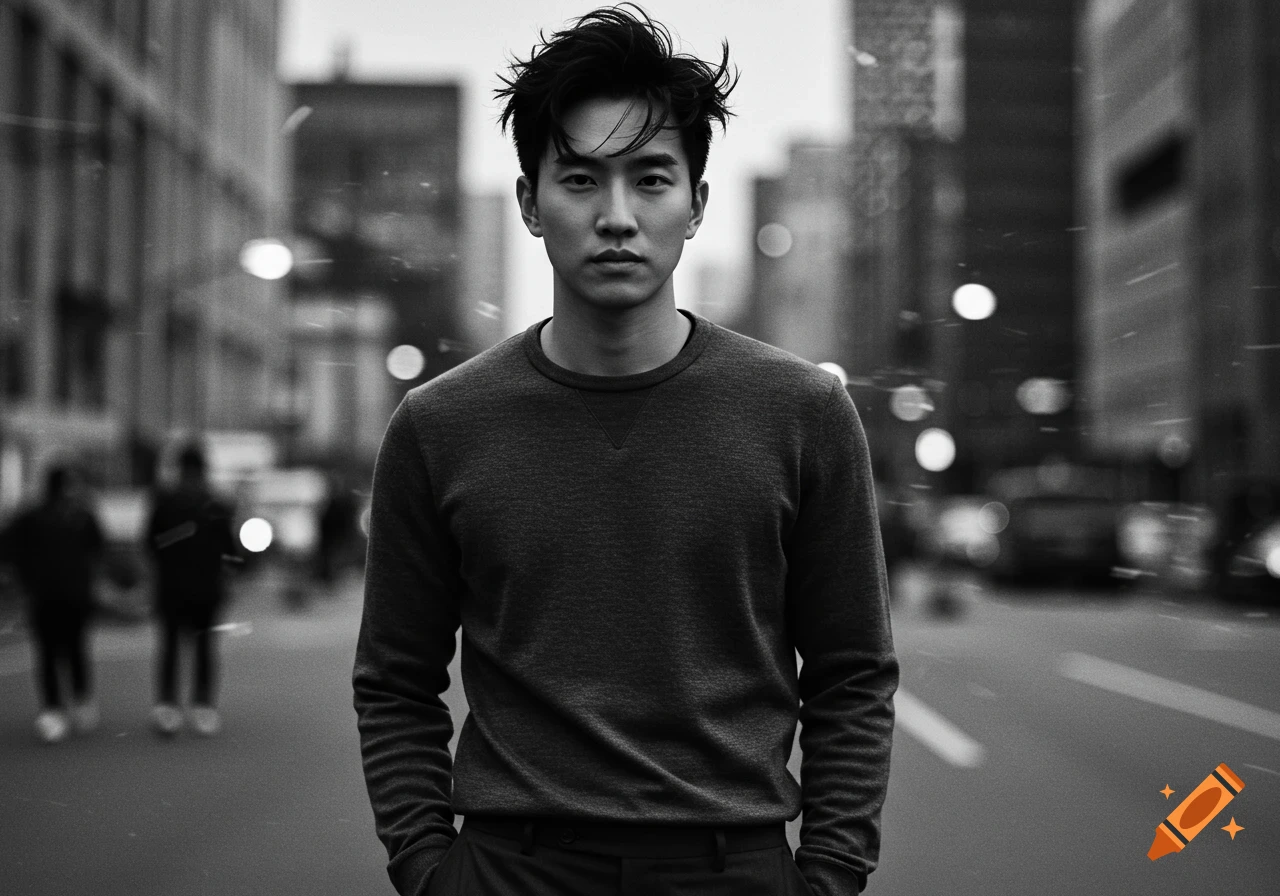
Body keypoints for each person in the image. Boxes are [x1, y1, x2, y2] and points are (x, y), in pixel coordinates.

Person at [353, 6, 898, 895]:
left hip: (734, 867)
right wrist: (426, 868)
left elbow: (852, 675)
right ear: (531, 202)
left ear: (697, 204)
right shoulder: (440, 424)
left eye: (650, 180)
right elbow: (394, 680)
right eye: (579, 180)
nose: (616, 217)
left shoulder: (804, 411)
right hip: (509, 868)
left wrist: (829, 877)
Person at [1, 465, 104, 744]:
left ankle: (80, 700)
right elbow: (9, 548)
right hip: (45, 596)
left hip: (74, 596)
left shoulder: (82, 516)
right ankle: (53, 709)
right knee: (48, 654)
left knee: (75, 650)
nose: (73, 490)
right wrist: (26, 579)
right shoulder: (33, 517)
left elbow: (97, 549)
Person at [146, 444, 238, 736]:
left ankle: (167, 706)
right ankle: (203, 707)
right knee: (204, 648)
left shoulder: (164, 501)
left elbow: (150, 543)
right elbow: (230, 550)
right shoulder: (216, 503)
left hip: (171, 586)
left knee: (170, 646)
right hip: (206, 587)